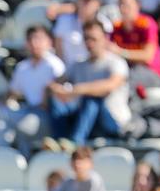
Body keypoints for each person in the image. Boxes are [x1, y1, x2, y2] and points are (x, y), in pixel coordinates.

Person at [46, 20, 131, 149]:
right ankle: (59, 141)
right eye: (86, 38)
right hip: (85, 120)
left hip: (112, 121)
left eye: (93, 39)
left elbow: (110, 85)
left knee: (92, 98)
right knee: (57, 102)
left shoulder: (116, 62)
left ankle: (75, 143)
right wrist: (56, 90)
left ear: (105, 39)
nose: (89, 43)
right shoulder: (78, 64)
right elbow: (56, 83)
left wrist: (77, 90)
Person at [0, 24, 65, 155]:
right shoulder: (23, 67)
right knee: (0, 119)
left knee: (21, 126)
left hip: (49, 116)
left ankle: (16, 158)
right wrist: (2, 103)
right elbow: (12, 92)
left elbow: (61, 96)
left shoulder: (55, 66)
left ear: (49, 42)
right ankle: (0, 158)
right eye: (31, 39)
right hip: (29, 111)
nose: (34, 43)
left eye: (39, 39)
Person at [110, 0, 160, 89]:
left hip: (150, 72)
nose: (124, 9)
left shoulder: (146, 24)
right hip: (127, 70)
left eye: (127, 5)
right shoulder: (116, 28)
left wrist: (121, 52)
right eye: (121, 4)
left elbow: (147, 56)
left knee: (125, 82)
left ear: (137, 5)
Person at [53, 0, 112, 68]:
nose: (86, 4)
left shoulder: (105, 24)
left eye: (90, 1)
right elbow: (58, 50)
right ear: (77, 2)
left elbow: (106, 50)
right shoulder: (64, 20)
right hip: (69, 71)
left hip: (96, 69)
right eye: (84, 0)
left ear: (98, 4)